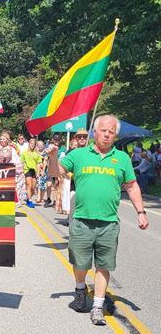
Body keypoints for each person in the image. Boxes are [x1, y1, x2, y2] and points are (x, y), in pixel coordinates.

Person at [47, 115, 149, 326]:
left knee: (104, 266)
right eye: (103, 130)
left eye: (111, 132)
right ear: (95, 132)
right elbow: (56, 173)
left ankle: (97, 307)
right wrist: (54, 157)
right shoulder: (79, 154)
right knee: (80, 263)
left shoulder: (121, 159)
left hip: (109, 222)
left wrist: (141, 211)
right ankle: (80, 289)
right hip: (82, 220)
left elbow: (131, 186)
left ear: (115, 135)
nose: (107, 134)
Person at [20, 138, 42, 208]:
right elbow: (22, 162)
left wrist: (38, 172)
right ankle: (30, 200)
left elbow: (38, 163)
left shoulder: (37, 153)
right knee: (29, 186)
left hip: (34, 171)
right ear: (29, 144)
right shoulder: (25, 153)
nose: (32, 145)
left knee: (33, 188)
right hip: (27, 170)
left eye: (33, 144)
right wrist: (22, 171)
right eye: (31, 144)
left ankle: (28, 198)